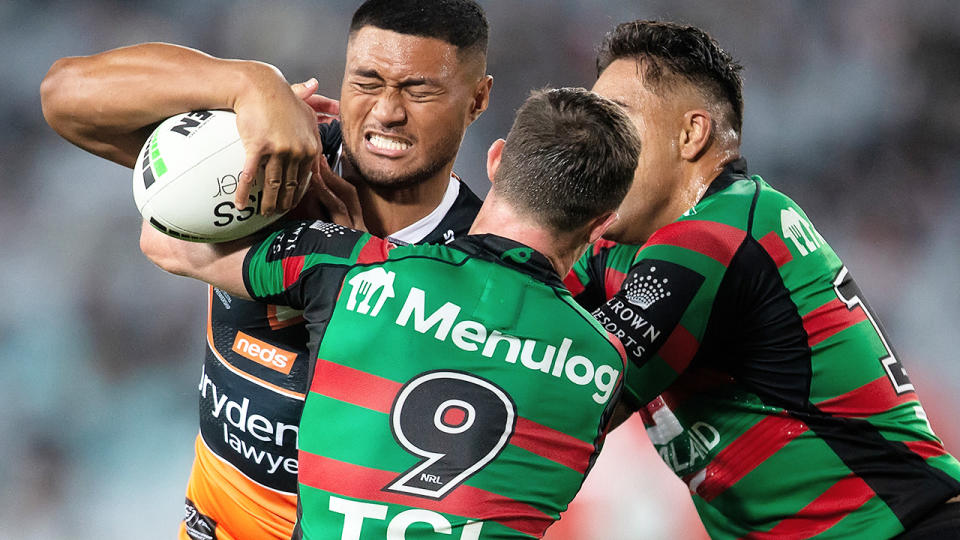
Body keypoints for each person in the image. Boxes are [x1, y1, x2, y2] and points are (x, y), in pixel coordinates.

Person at [40, 1, 492, 538]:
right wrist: (248, 84)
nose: (387, 111)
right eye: (366, 81)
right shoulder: (271, 160)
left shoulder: (483, 264)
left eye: (418, 90)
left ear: (477, 100)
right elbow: (63, 97)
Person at [140, 87, 640, 539]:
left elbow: (165, 242)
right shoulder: (604, 364)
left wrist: (259, 131)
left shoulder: (350, 266)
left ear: (496, 161)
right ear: (602, 223)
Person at [567, 20, 960, 538]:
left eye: (615, 124)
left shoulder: (720, 232)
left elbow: (563, 400)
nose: (594, 149)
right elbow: (518, 310)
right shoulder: (617, 248)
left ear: (691, 134)